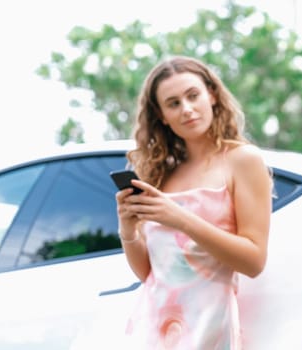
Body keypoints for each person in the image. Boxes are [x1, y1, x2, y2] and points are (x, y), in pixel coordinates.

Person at [115, 55, 273, 349]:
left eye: (193, 95)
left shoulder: (242, 160)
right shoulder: (161, 174)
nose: (187, 109)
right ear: (161, 115)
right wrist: (128, 230)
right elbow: (151, 274)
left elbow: (254, 261)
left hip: (208, 326)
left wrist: (180, 218)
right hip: (153, 327)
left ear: (211, 94)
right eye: (173, 103)